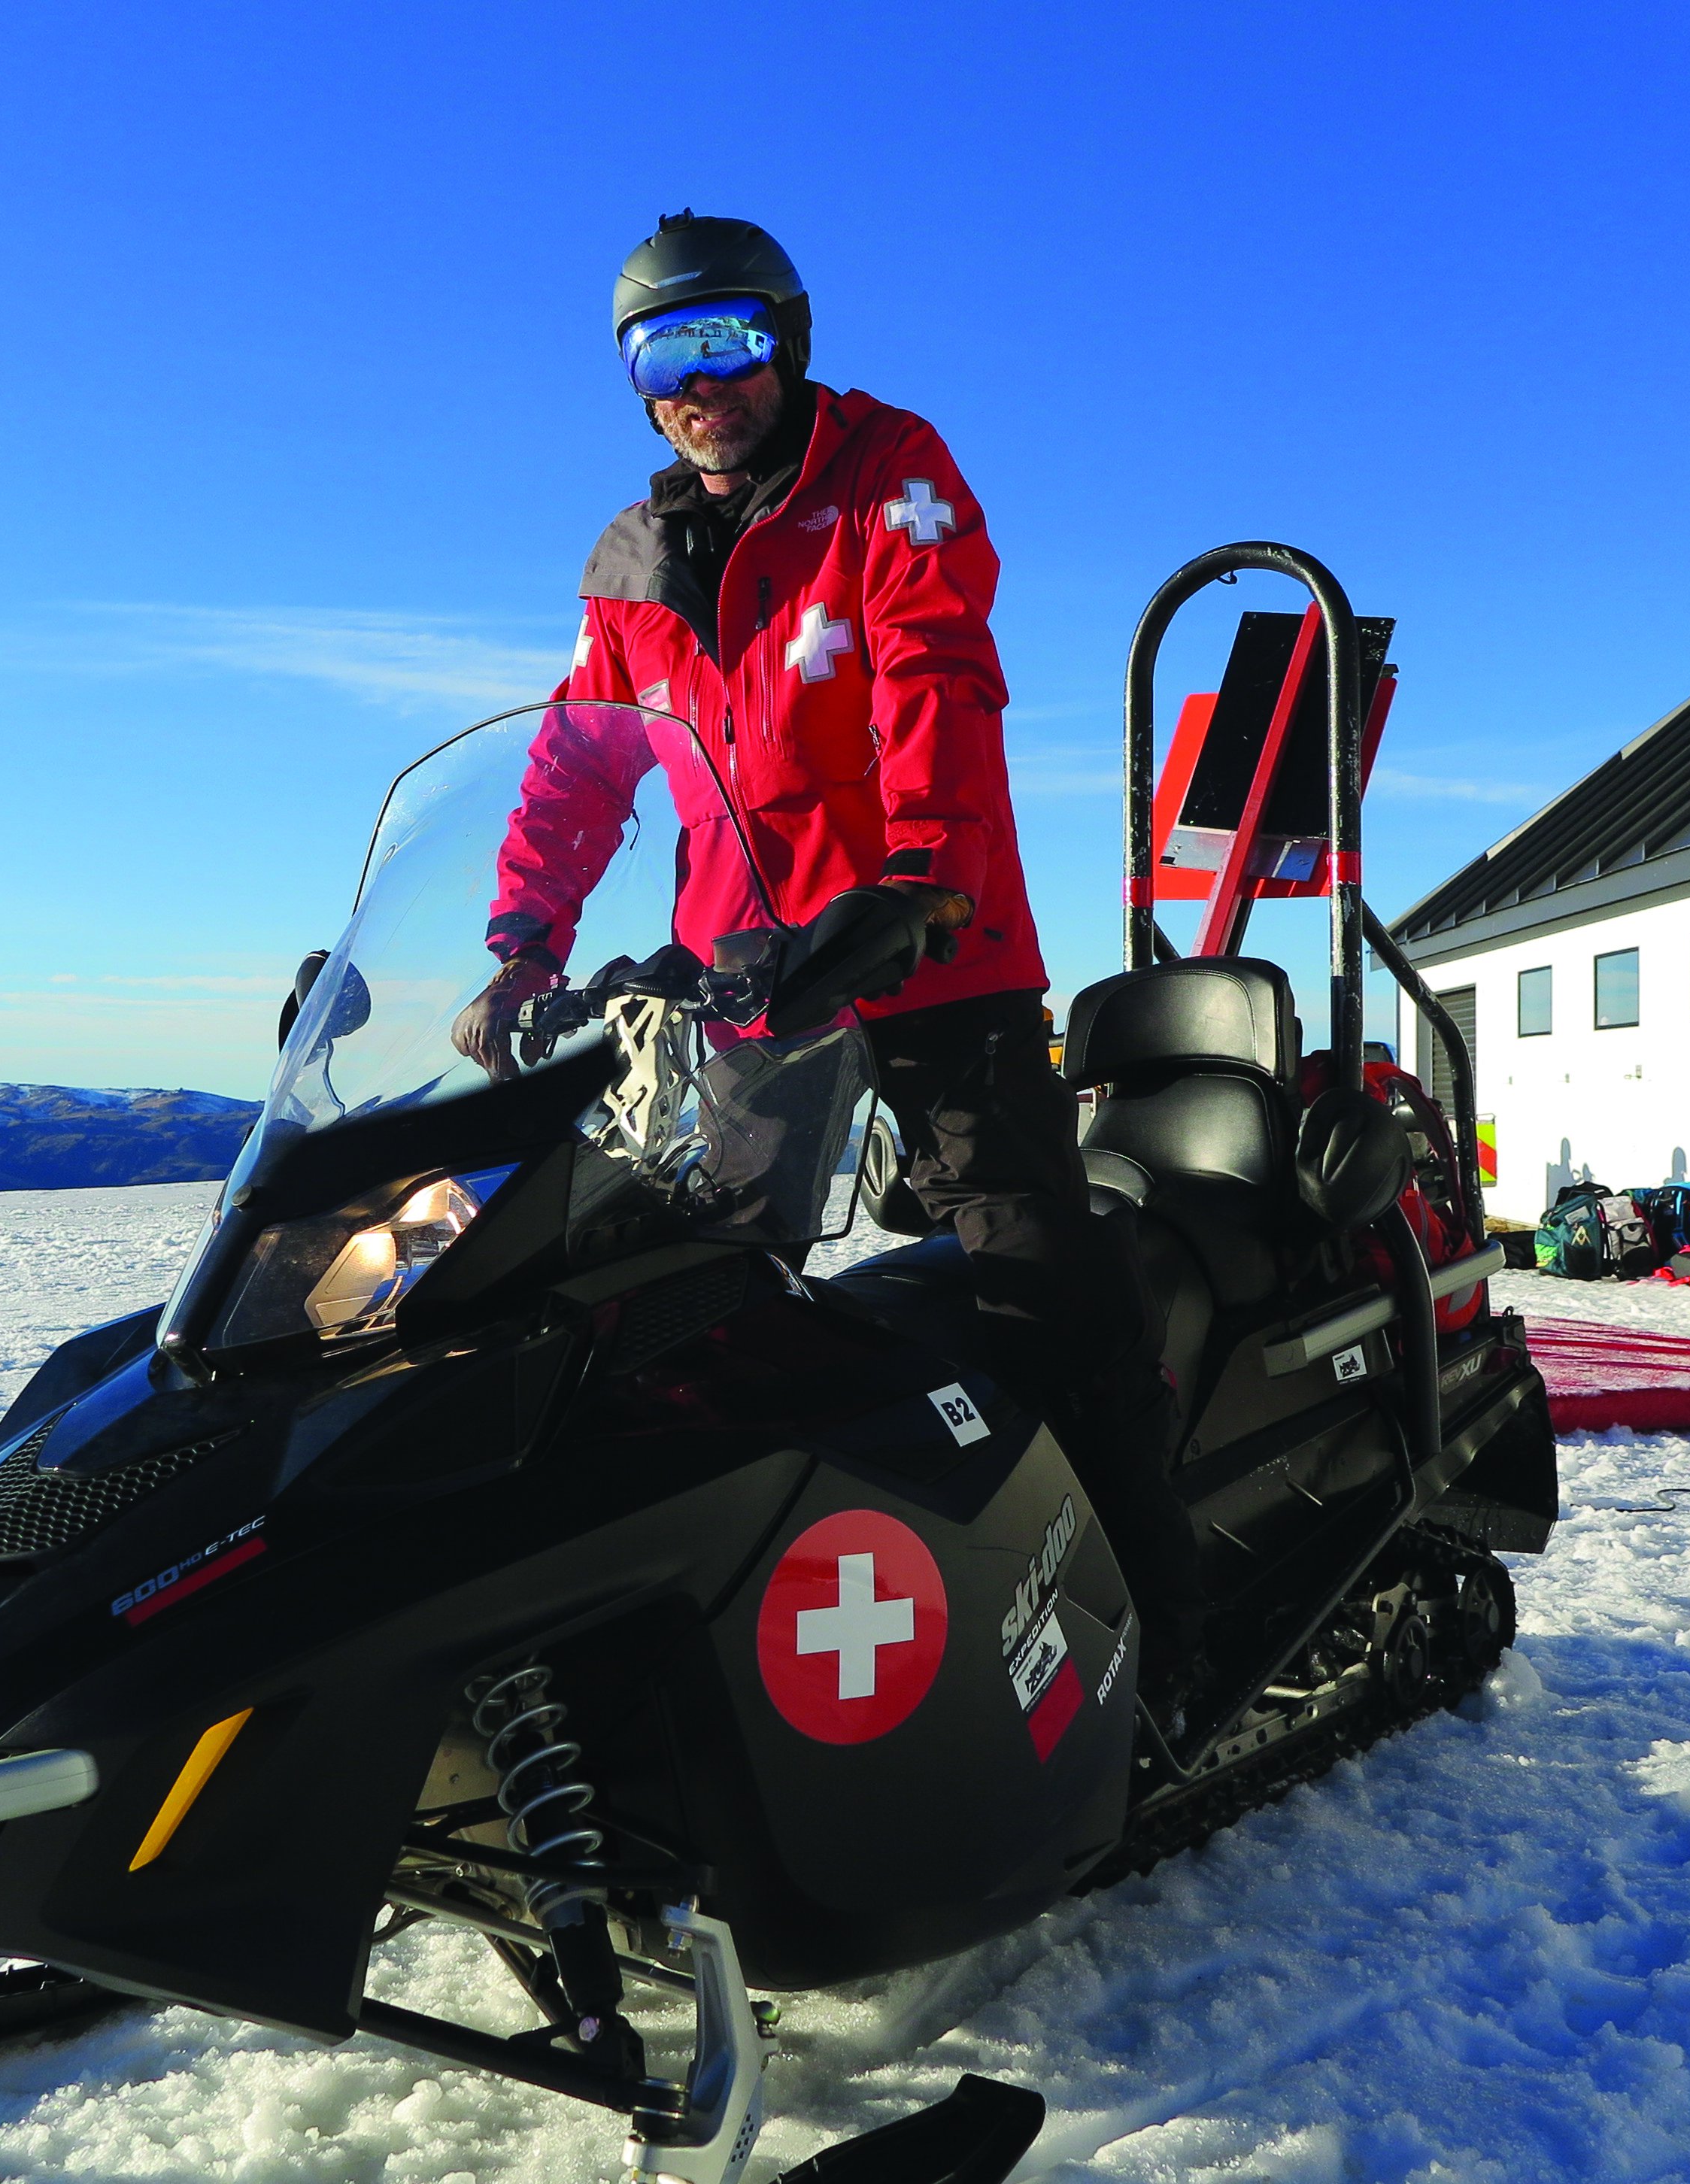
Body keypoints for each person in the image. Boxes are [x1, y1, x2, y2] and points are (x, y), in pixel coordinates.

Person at [452, 212, 1208, 1691]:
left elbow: (932, 662)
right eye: (661, 353)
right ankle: (713, 1647)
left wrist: (915, 873)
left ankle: (1162, 1627)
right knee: (682, 1310)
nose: (697, 381)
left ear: (786, 342)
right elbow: (581, 762)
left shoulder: (889, 473)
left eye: (727, 342)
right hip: (741, 985)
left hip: (929, 951)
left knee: (1034, 1278)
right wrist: (519, 944)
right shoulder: (631, 557)